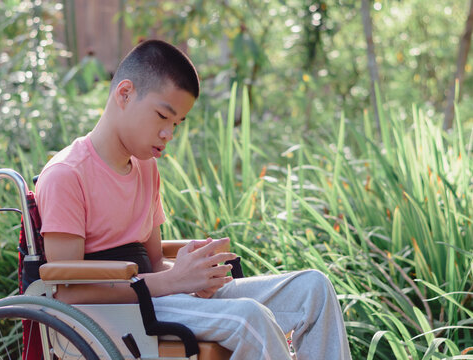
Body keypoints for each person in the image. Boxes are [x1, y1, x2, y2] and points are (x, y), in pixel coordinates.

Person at [35, 39, 352, 360]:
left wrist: (197, 274)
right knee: (248, 317)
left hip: (161, 296)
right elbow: (69, 293)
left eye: (176, 123)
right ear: (125, 94)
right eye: (162, 116)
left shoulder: (146, 168)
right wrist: (173, 280)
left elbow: (156, 263)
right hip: (119, 313)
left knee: (313, 288)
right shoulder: (67, 174)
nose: (169, 134)